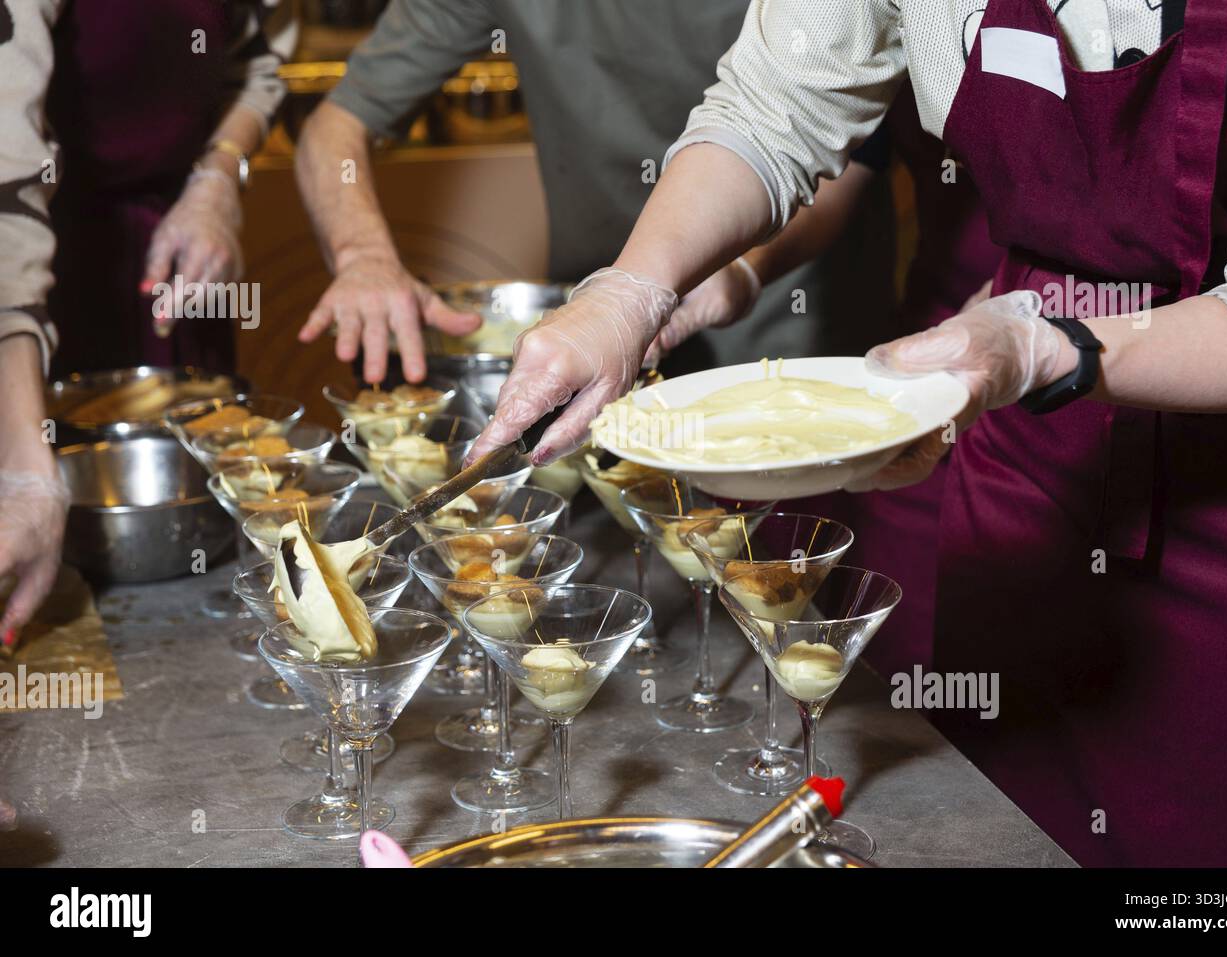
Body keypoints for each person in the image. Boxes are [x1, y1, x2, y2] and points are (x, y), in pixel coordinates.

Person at [473, 0, 1227, 867]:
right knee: (995, 829)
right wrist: (628, 292)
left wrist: (1043, 345)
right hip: (1032, 472)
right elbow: (772, 108)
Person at [293, 0, 889, 387]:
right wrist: (363, 257)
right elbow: (336, 126)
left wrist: (748, 271)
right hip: (592, 329)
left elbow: (851, 156)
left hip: (780, 335)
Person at [0, 0, 296, 634]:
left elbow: (259, 63)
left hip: (174, 239)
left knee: (199, 581)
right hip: (24, 261)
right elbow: (6, 174)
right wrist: (26, 466)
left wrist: (216, 177)